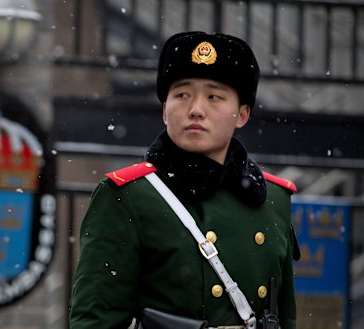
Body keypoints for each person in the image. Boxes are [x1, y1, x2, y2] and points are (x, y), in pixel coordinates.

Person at [69, 31, 300, 329]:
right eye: (181, 95)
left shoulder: (273, 199)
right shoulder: (129, 197)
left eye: (214, 96)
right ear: (165, 110)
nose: (196, 110)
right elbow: (96, 320)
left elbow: (286, 316)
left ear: (242, 114)